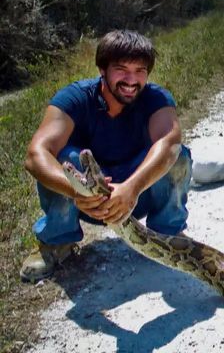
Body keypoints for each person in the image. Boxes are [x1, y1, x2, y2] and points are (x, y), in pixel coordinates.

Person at [20, 30, 192, 282]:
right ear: (102, 69)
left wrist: (132, 189)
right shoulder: (75, 98)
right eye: (121, 69)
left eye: (140, 70)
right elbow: (36, 155)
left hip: (135, 196)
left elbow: (169, 144)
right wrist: (76, 190)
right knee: (64, 158)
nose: (131, 80)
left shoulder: (156, 98)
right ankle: (57, 242)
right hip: (83, 199)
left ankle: (168, 236)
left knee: (178, 156)